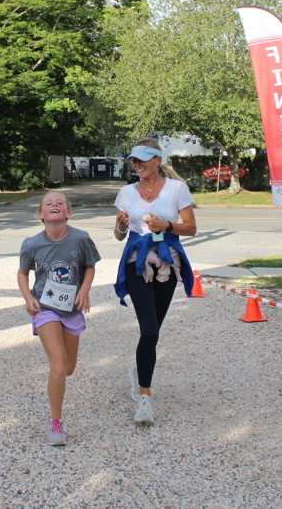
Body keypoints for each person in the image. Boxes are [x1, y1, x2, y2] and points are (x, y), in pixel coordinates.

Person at [112, 138, 197, 424]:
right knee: (148, 330)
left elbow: (192, 228)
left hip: (167, 261)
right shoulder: (127, 192)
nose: (137, 165)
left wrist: (167, 225)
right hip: (137, 262)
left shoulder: (177, 189)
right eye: (134, 161)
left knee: (154, 331)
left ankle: (139, 371)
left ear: (157, 160)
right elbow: (118, 234)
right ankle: (144, 398)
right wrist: (120, 226)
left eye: (142, 160)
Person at [17, 191, 101, 446]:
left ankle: (58, 388)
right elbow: (22, 273)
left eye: (60, 203)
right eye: (49, 203)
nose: (54, 205)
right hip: (45, 309)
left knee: (69, 368)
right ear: (41, 214)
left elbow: (89, 266)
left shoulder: (81, 238)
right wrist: (27, 297)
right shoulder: (31, 244)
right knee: (59, 367)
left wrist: (84, 291)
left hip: (72, 309)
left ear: (68, 212)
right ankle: (55, 422)